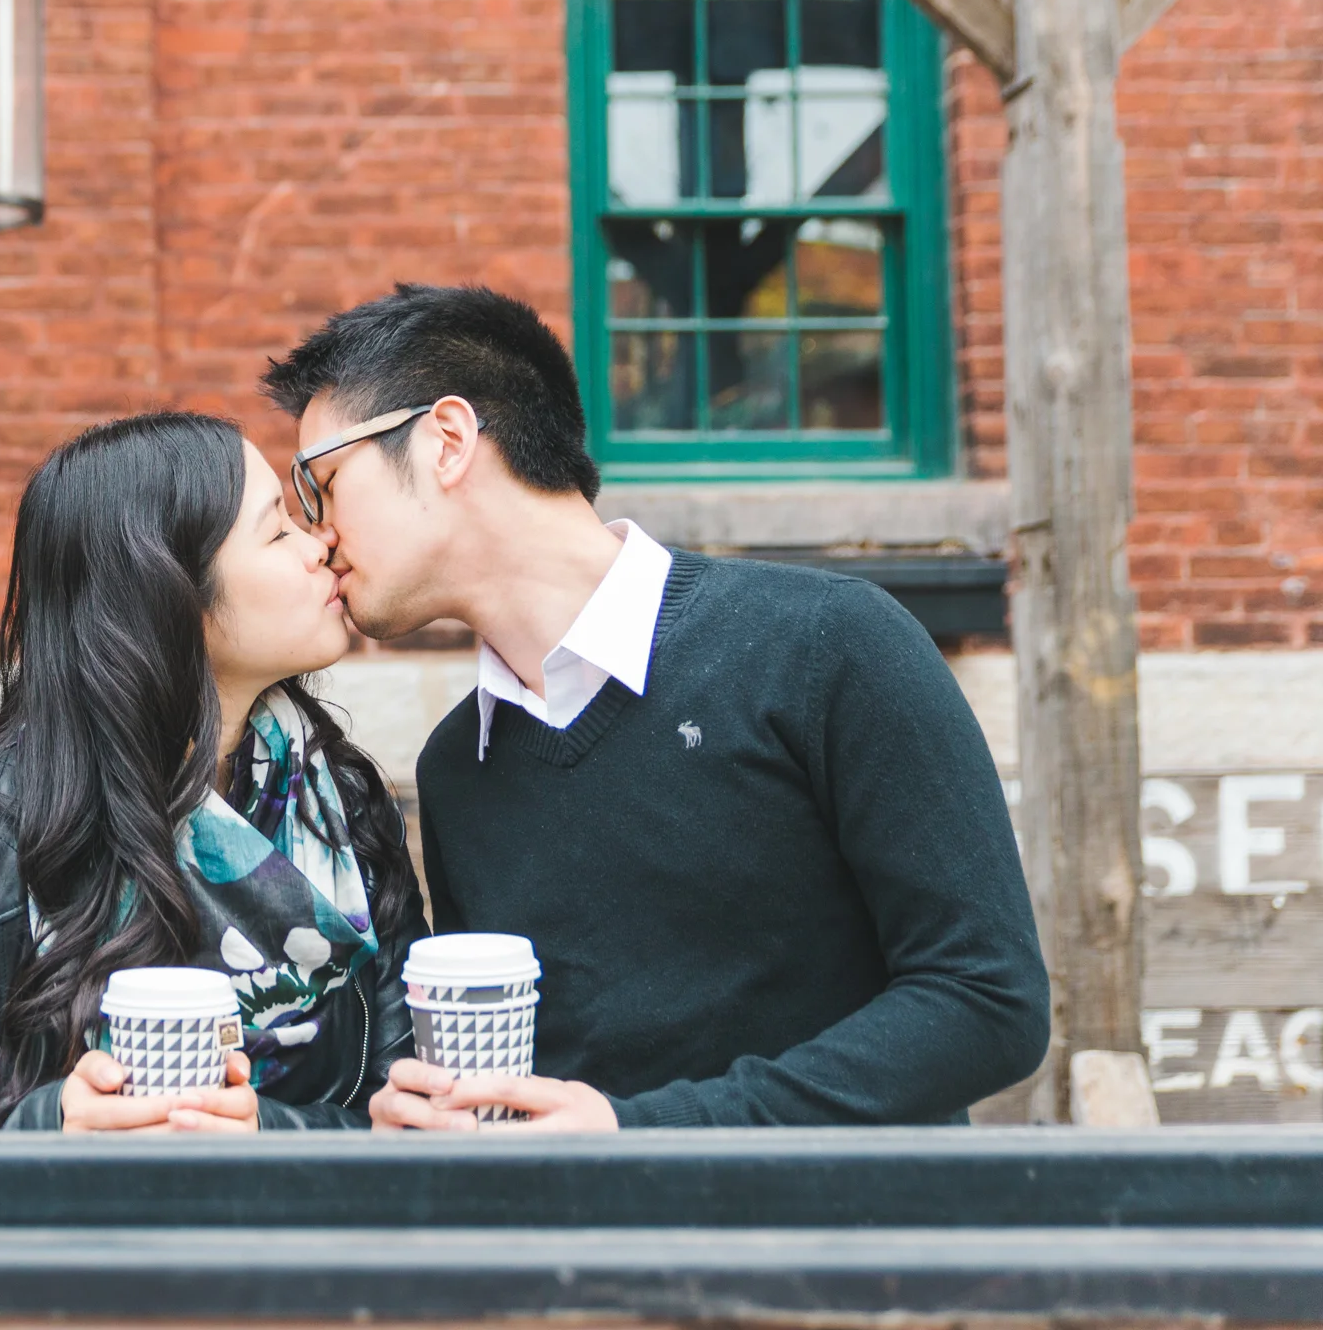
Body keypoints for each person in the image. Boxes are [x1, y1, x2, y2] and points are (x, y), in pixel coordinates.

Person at [260, 284, 1050, 1131]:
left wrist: (643, 1137)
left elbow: (988, 1001)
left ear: (448, 441)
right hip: (583, 1260)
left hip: (852, 1254)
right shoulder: (460, 766)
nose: (319, 534)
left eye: (323, 482)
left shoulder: (828, 643)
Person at [0, 412, 427, 1131]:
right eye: (278, 529)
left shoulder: (337, 803)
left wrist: (267, 1135)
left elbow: (404, 1112)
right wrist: (50, 1125)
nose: (319, 545)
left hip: (293, 1241)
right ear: (170, 597)